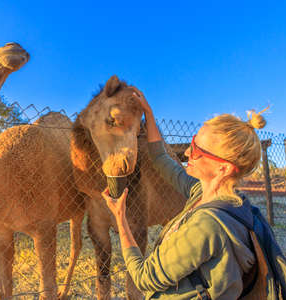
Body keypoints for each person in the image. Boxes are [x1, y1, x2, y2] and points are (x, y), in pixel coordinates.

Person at [102, 89, 268, 299]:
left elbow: (144, 277)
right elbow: (161, 158)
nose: (188, 153)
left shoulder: (207, 225)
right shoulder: (211, 195)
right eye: (192, 142)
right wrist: (148, 113)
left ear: (223, 169)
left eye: (197, 150)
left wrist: (120, 218)